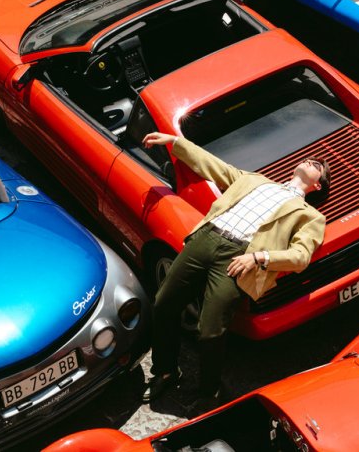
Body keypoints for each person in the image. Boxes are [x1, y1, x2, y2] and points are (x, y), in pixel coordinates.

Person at [141, 131, 331, 411]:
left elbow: (300, 256)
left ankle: (209, 393)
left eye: (318, 166)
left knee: (210, 331)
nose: (311, 161)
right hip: (206, 238)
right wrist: (175, 142)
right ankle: (166, 371)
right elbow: (214, 166)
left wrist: (260, 257)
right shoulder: (255, 180)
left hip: (239, 258)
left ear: (317, 185)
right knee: (163, 303)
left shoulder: (311, 215)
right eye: (310, 159)